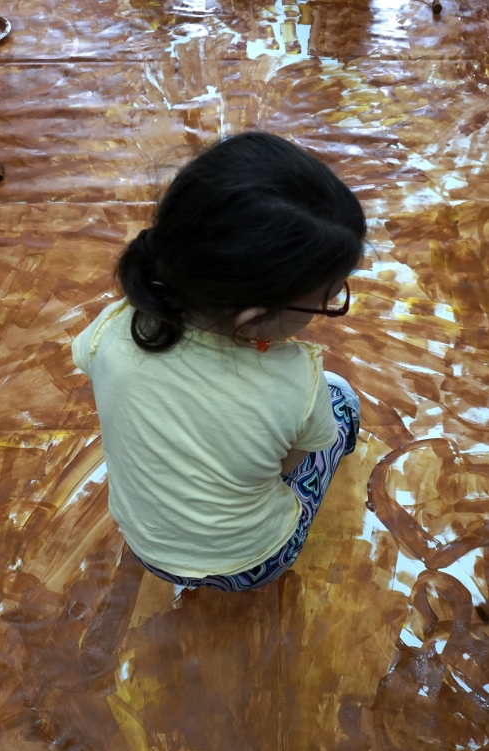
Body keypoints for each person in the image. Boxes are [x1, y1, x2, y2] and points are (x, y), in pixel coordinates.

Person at [71, 131, 366, 592]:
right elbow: (287, 467)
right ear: (252, 320)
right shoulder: (295, 382)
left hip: (147, 549)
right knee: (340, 401)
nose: (328, 304)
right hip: (250, 563)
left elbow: (90, 363)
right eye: (328, 297)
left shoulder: (114, 327)